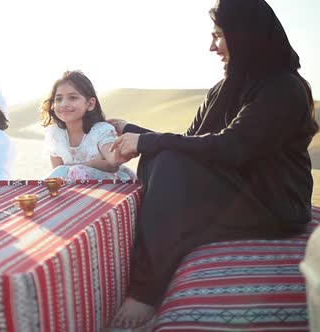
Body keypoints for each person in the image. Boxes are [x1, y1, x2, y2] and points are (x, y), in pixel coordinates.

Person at [108, 0, 318, 328]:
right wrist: (133, 133)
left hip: (274, 203)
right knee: (160, 157)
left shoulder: (283, 89)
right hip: (233, 189)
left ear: (245, 34)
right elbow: (193, 142)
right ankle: (159, 258)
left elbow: (232, 147)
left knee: (165, 158)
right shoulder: (223, 88)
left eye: (219, 36)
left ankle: (147, 291)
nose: (212, 46)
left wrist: (147, 141)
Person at [41, 70, 136, 180]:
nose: (64, 104)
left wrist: (89, 164)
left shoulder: (101, 131)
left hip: (107, 183)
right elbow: (58, 172)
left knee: (77, 171)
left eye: (72, 97)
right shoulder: (55, 133)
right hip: (73, 189)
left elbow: (112, 164)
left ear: (90, 104)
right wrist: (91, 163)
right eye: (58, 99)